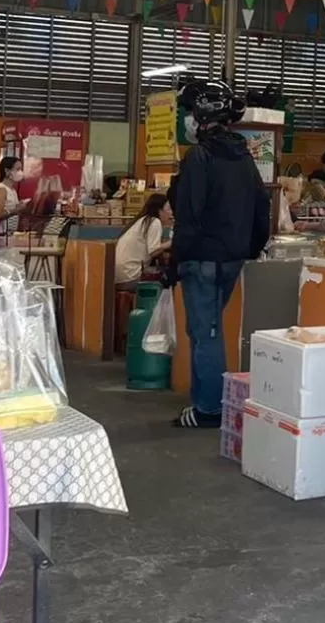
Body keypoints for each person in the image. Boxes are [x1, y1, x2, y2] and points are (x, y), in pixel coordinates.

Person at [170, 80, 271, 429]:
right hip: (232, 260)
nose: (185, 120)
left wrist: (174, 261)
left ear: (201, 116)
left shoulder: (200, 157)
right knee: (206, 330)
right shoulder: (244, 157)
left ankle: (210, 409)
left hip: (201, 259)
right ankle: (201, 403)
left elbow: (189, 216)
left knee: (206, 334)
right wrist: (253, 247)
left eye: (187, 112)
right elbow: (262, 207)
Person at [114, 194, 172, 283]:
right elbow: (153, 250)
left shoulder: (141, 220)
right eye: (168, 209)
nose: (171, 213)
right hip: (131, 275)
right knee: (167, 281)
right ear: (159, 210)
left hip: (117, 275)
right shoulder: (154, 222)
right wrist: (172, 242)